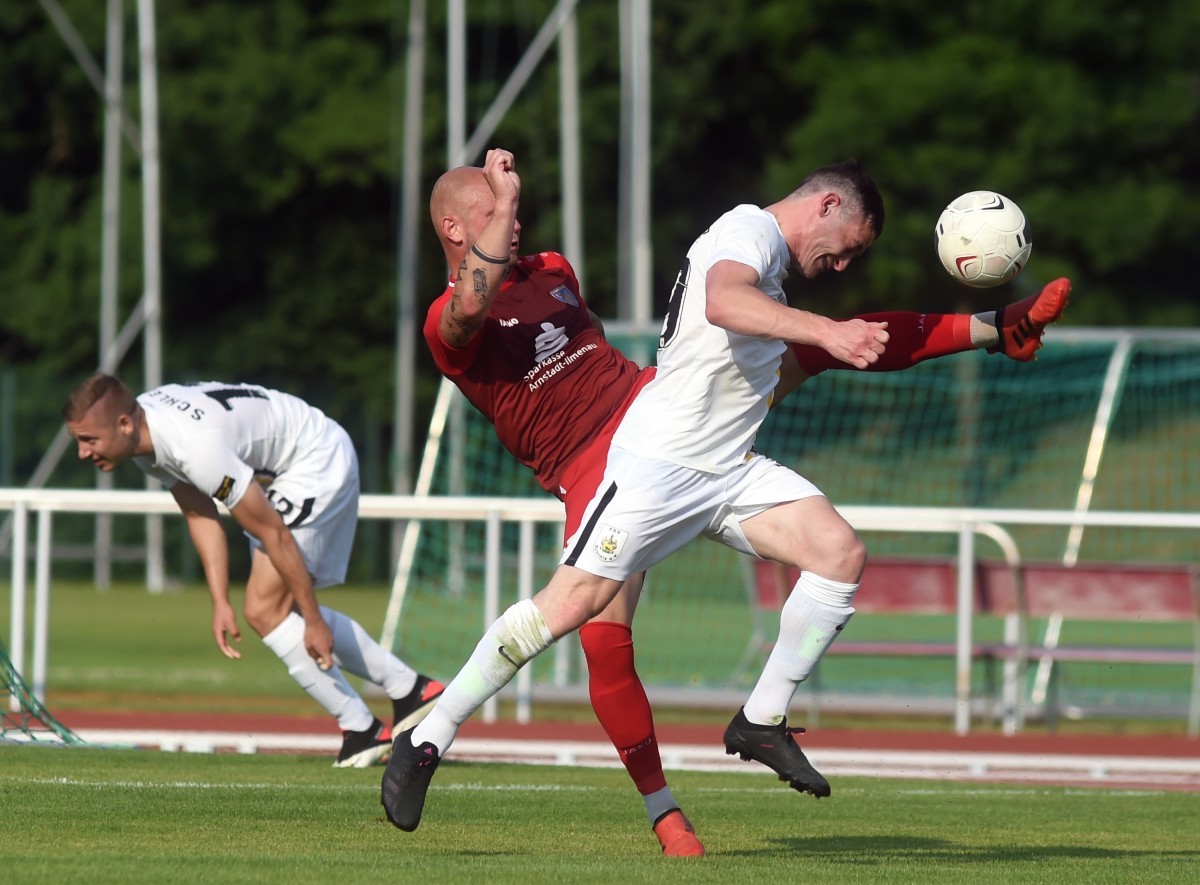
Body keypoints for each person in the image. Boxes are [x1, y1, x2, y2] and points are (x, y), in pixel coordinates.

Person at [385, 148, 1070, 839]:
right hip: (639, 462)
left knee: (838, 549)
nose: (514, 222)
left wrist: (990, 327)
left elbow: (822, 333)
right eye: (495, 213)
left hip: (691, 433)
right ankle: (436, 739)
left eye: (513, 212)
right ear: (453, 228)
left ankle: (761, 718)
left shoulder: (557, 270)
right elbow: (483, 301)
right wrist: (502, 203)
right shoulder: (452, 319)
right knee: (580, 621)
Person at [62, 375, 445, 768]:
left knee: (267, 610)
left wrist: (313, 618)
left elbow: (274, 534)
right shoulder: (145, 434)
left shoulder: (196, 447)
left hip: (315, 459)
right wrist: (219, 601)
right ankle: (410, 692)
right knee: (272, 610)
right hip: (291, 462)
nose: (81, 452)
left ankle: (366, 729)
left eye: (88, 439)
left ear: (124, 425)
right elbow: (200, 513)